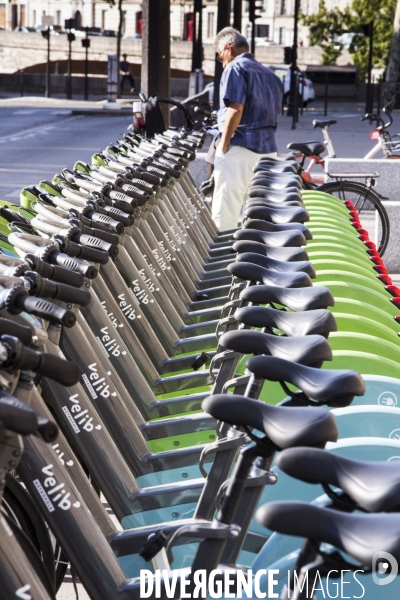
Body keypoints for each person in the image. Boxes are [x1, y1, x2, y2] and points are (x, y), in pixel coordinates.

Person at [211, 27, 283, 231]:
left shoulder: (235, 68)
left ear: (228, 48)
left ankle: (222, 262)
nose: (221, 62)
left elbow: (236, 109)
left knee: (225, 215)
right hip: (268, 151)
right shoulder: (271, 75)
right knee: (259, 218)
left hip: (240, 149)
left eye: (219, 56)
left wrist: (223, 144)